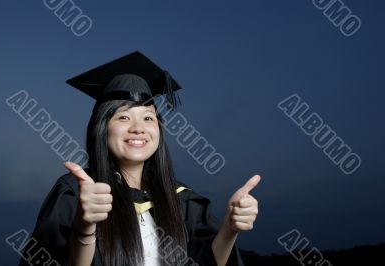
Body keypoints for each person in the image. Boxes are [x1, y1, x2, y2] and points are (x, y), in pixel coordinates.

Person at [19, 51, 260, 266]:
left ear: (159, 130)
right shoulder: (76, 193)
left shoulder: (182, 200)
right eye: (123, 117)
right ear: (102, 129)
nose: (138, 128)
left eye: (148, 118)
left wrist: (229, 228)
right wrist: (84, 228)